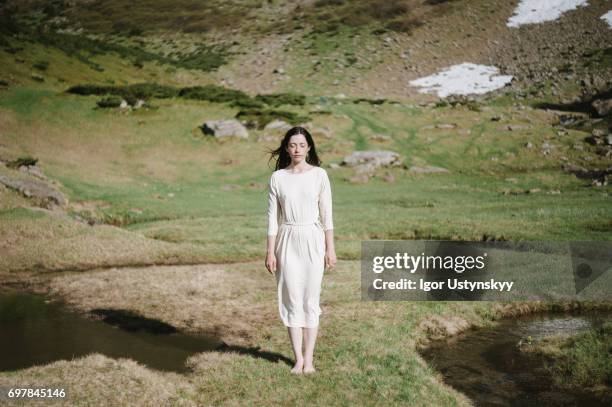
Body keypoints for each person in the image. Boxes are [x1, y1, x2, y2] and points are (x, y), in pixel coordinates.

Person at [265, 126, 337, 375]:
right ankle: (297, 359)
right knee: (291, 299)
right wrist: (269, 251)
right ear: (286, 147)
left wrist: (330, 249)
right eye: (292, 145)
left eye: (302, 145)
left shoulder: (319, 175)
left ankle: (310, 360)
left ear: (309, 148)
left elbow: (327, 216)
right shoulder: (278, 178)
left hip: (312, 239)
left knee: (310, 299)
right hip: (287, 240)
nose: (297, 149)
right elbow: (272, 219)